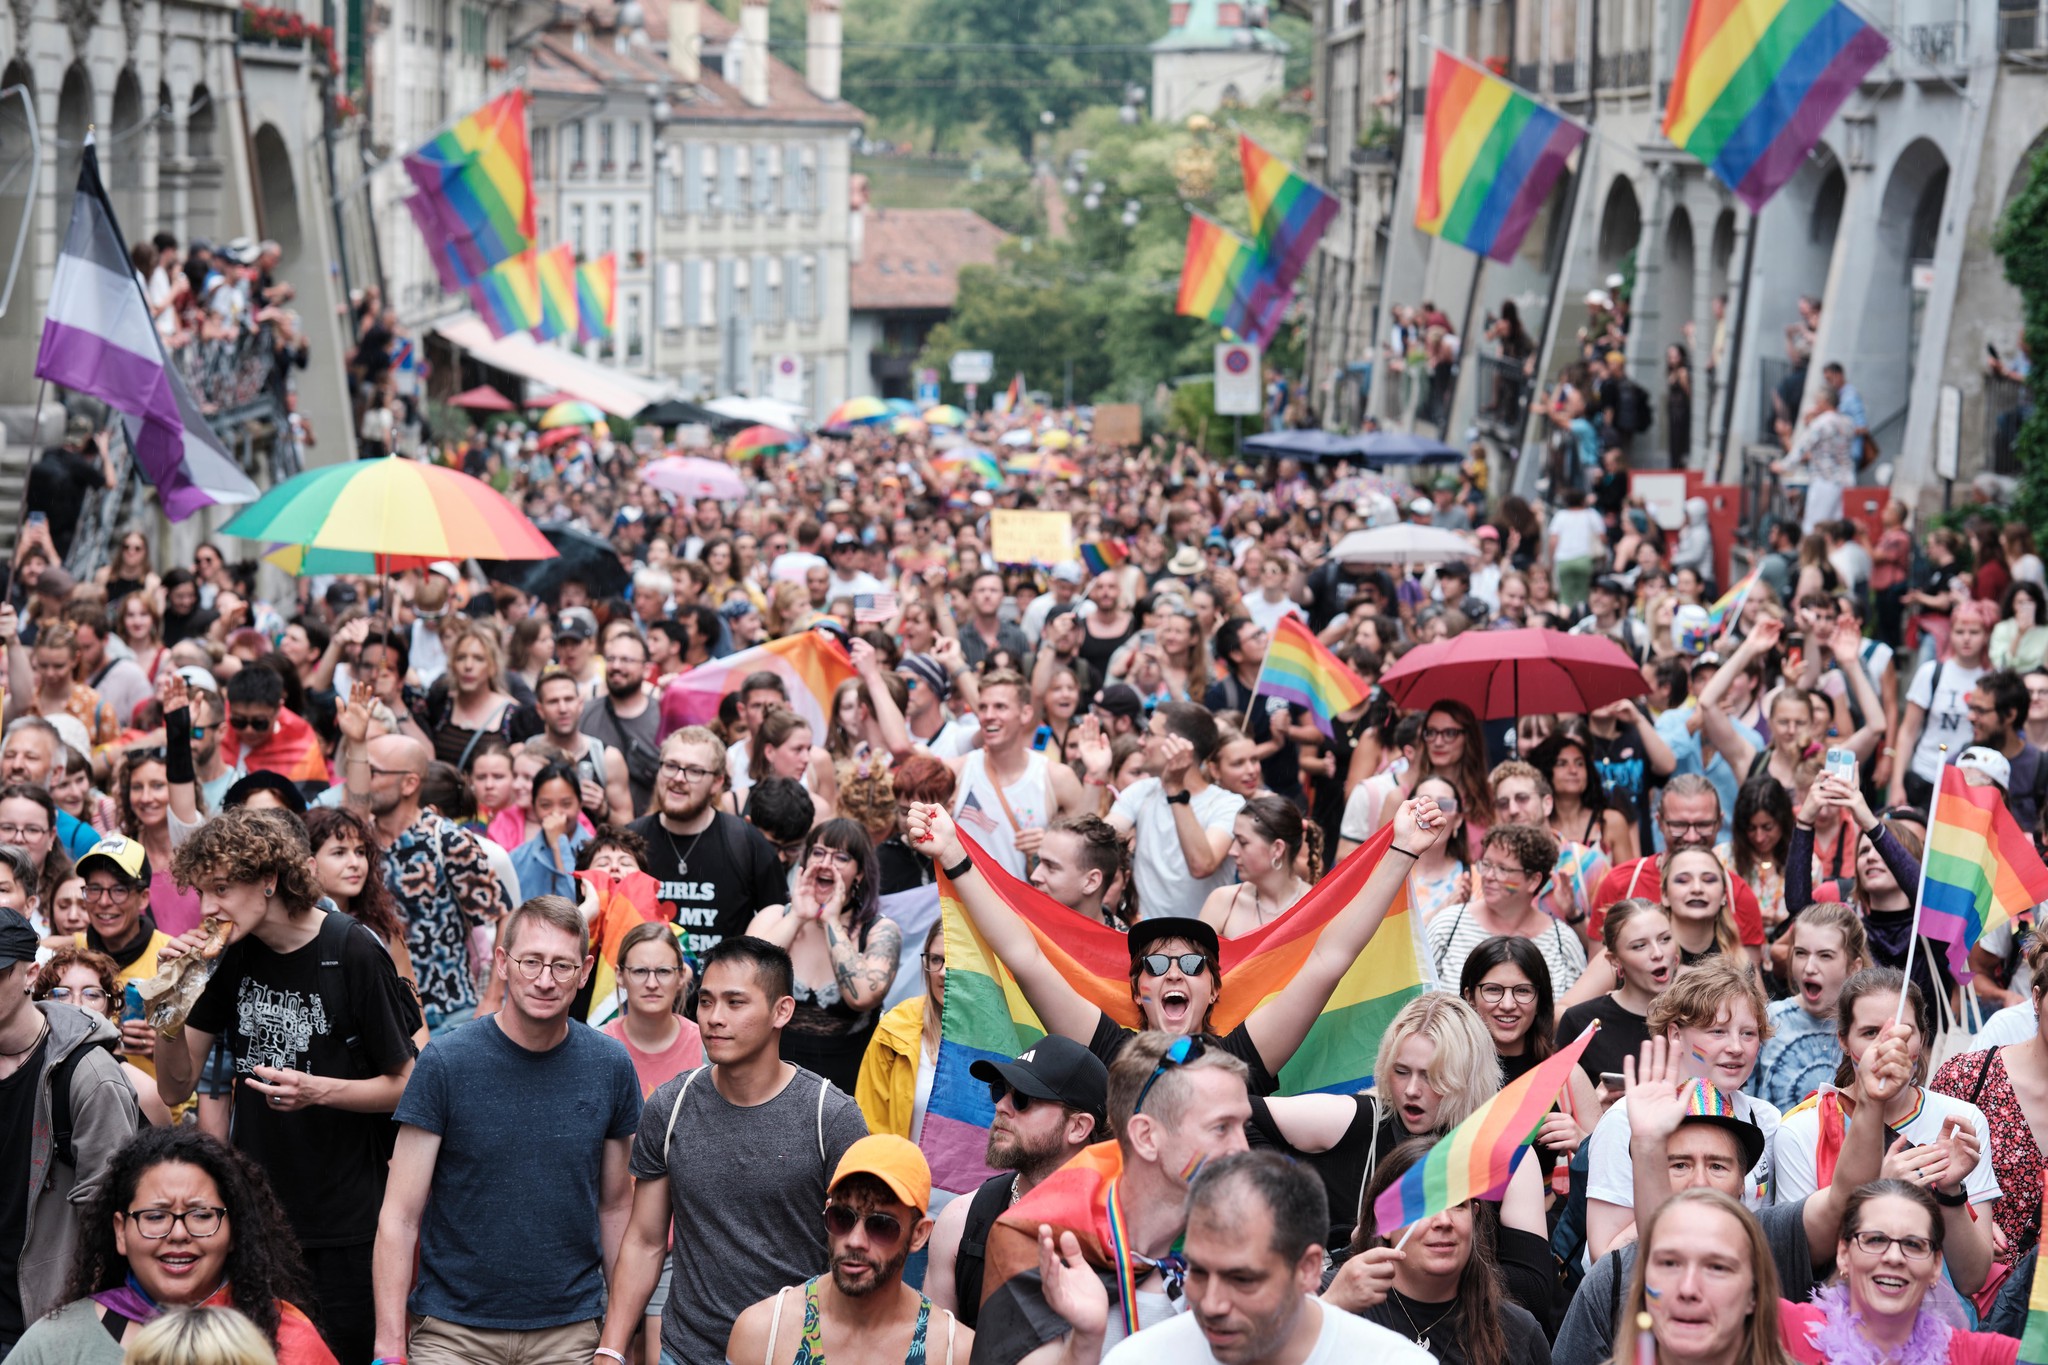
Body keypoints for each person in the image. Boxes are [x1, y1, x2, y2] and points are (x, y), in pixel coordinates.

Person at [907, 795, 1445, 1094]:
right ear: (1137, 990)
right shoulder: (1111, 1054)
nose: (1173, 973)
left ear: (1213, 991)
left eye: (1191, 964)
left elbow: (1330, 958)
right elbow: (1024, 957)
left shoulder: (1240, 1059)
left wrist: (1401, 849)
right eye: (1156, 964)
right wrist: (955, 855)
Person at [144, 808, 419, 1363]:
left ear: (269, 879)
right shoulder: (229, 956)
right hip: (260, 1221)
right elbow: (176, 1088)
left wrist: (316, 1090)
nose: (209, 908)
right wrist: (168, 1008)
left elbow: (407, 1084)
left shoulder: (353, 949)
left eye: (222, 888)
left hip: (348, 1224)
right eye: (202, 892)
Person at [372, 895, 641, 1364]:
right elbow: (400, 1216)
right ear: (501, 962)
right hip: (452, 1334)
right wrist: (389, 1347)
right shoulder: (446, 1063)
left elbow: (617, 1207)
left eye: (561, 966)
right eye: (531, 961)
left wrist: (617, 1342)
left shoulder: (610, 1064)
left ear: (585, 971)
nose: (544, 980)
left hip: (570, 1333)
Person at [1555, 1024, 1912, 1364]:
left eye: (1717, 1166)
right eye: (1679, 1165)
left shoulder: (1770, 1237)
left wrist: (1869, 1102)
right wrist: (1648, 1145)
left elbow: (1845, 1199)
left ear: (1743, 1180)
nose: (1698, 1181)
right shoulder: (1613, 1275)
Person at [596, 936, 869, 1365]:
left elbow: (858, 1254)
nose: (714, 1018)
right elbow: (646, 1240)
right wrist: (611, 1349)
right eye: (706, 1002)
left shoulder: (830, 1117)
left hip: (793, 1352)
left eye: (735, 1003)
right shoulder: (671, 1105)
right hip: (685, 1350)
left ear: (782, 1011)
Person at [973, 1031, 1255, 1365]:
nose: (1243, 1149)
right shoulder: (1036, 1244)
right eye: (1221, 1128)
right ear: (1146, 1137)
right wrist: (1087, 1341)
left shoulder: (1250, 1242)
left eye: (1243, 1127)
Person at [8, 1127, 336, 1364]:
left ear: (234, 1230)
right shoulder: (56, 1346)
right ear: (121, 1232)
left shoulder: (289, 1342)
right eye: (155, 1216)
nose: (178, 1234)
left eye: (201, 1214)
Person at [1770, 969, 1997, 1292]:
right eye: (1871, 1032)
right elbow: (1803, 1273)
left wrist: (1950, 1192)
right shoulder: (1800, 1129)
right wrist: (1883, 1192)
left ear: (1923, 1037)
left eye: (1903, 1033)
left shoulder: (1962, 1119)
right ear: (1844, 1041)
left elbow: (1972, 1278)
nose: (1889, 1047)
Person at [1102, 1150, 1434, 1365]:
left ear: (1308, 1269)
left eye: (1243, 1279)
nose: (1213, 1304)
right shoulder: (1139, 1359)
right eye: (1198, 1273)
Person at [1252, 993, 1505, 1253]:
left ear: (1468, 1077)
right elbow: (1237, 1112)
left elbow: (1534, 1284)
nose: (1411, 1090)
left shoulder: (1501, 1149)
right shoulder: (1358, 1119)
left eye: (1431, 1077)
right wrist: (1294, 1205)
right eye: (1401, 1072)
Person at [1586, 959, 1784, 1258]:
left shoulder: (1764, 1119)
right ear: (1676, 1034)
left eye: (1748, 1033)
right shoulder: (1624, 1121)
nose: (1736, 1047)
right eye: (1718, 1031)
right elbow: (1604, 1256)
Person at [725, 1135, 971, 1365]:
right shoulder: (764, 1333)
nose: (855, 1240)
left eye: (881, 1225)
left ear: (919, 1234)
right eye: (842, 1218)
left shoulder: (955, 1351)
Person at [922, 1036, 1108, 1327]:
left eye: (1023, 1098)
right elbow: (934, 1350)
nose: (1001, 1106)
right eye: (1000, 1091)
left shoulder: (1119, 1234)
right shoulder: (960, 1221)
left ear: (1078, 1127)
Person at [1329, 1136, 1550, 1365]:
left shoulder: (1518, 1333)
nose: (1443, 1220)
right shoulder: (1330, 1299)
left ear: (1474, 1216)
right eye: (1423, 1204)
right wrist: (1329, 1307)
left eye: (1456, 1204)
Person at [346, 734, 511, 1035]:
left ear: (409, 784)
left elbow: (504, 914)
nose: (364, 780)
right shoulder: (358, 844)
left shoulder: (447, 840)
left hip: (448, 1016)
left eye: (374, 772)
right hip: (380, 1017)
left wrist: (492, 998)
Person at [1778, 1181, 2020, 1365]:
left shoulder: (1971, 1355)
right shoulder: (1786, 1328)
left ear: (1936, 1265)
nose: (1894, 1257)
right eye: (1874, 1240)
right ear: (1843, 1253)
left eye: (1913, 1244)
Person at [744, 818, 902, 1093]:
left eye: (841, 857)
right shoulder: (774, 917)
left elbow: (863, 995)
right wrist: (797, 916)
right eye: (818, 852)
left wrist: (831, 920)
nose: (826, 863)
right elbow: (743, 980)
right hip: (768, 1086)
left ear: (860, 873)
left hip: (846, 1090)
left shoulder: (880, 931)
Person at [1931, 933, 2048, 1266]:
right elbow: (1916, 1186)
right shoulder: (1968, 1077)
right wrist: (1972, 1225)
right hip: (1975, 1293)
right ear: (2036, 999)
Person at [626, 727, 786, 957]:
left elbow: (778, 920)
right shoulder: (630, 842)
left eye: (694, 771)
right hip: (647, 987)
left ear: (717, 782)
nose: (678, 778)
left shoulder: (747, 843)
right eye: (671, 766)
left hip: (723, 989)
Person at [1090, 702, 1246, 921]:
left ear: (1181, 746)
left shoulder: (1228, 804)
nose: (1141, 741)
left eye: (1150, 733)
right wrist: (1095, 774)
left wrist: (1175, 789)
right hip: (1146, 940)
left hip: (1202, 943)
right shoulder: (1141, 791)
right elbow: (1094, 843)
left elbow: (1202, 865)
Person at [1459, 936, 1597, 1162]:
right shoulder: (1448, 1071)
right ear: (1469, 996)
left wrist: (1582, 1141)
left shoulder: (1567, 1077)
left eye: (1522, 991)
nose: (1507, 1004)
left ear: (1539, 999)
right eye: (1493, 990)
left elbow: (1610, 1169)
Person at [1425, 824, 1585, 994]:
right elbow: (1417, 996)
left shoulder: (1563, 941)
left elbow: (1575, 1014)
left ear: (1533, 880)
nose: (1487, 876)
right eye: (1486, 864)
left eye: (1502, 869)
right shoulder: (1448, 925)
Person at [31, 944, 172, 1126]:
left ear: (111, 1008)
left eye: (91, 994)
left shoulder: (142, 1090)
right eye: (61, 994)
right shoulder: (23, 1072)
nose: (76, 1004)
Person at [1749, 902, 1868, 1114]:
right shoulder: (1768, 1021)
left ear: (1854, 967)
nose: (1809, 967)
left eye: (1825, 956)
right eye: (1801, 953)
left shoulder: (1869, 1029)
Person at [73, 835, 170, 1074]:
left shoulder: (170, 959)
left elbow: (201, 1063)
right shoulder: (72, 955)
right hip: (86, 1106)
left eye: (119, 890)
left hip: (158, 1109)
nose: (104, 902)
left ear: (143, 897)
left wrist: (166, 1048)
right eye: (94, 889)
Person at [1558, 898, 1675, 1093]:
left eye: (1665, 939)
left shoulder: (1697, 1016)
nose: (1657, 953)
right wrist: (1594, 1108)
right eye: (1639, 946)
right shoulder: (1581, 1023)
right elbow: (1558, 1106)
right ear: (1615, 960)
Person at [1890, 599, 1995, 811]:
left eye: (1974, 632)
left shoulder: (1993, 678)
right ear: (1950, 634)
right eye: (1959, 631)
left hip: (1970, 781)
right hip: (1925, 774)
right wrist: (1896, 783)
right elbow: (1908, 731)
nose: (1966, 639)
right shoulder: (1932, 672)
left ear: (1986, 636)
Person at [301, 807, 414, 987]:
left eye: (360, 852)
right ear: (310, 863)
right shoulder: (296, 927)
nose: (355, 863)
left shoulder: (384, 925)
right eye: (339, 852)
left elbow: (410, 1002)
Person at [854, 922, 943, 1141]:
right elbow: (869, 1128)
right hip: (902, 1174)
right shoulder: (893, 1029)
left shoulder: (998, 1035)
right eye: (936, 960)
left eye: (955, 960)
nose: (942, 972)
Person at [1197, 796, 1318, 939]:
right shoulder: (1222, 901)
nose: (1232, 851)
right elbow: (1194, 958)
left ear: (1277, 849)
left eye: (1243, 842)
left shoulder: (1316, 905)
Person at [528, 670, 633, 828]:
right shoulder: (525, 756)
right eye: (553, 701)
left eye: (569, 699)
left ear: (580, 704)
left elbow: (629, 827)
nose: (563, 708)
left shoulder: (607, 759)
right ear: (540, 710)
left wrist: (603, 810)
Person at [582, 630, 660, 815]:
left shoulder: (662, 716)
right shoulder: (585, 713)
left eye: (626, 660)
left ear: (646, 669)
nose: (616, 666)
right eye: (611, 659)